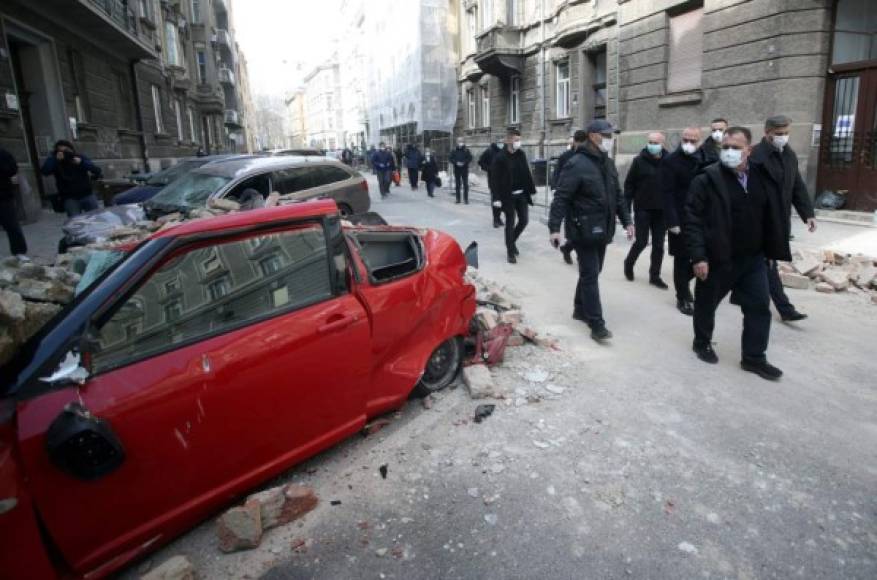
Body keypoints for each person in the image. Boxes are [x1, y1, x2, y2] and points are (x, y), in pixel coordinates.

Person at [686, 126, 788, 381]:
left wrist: (771, 249)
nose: (730, 152)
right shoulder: (707, 179)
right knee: (707, 304)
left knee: (758, 307)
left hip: (753, 258)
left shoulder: (761, 178)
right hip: (718, 258)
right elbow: (692, 219)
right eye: (726, 147)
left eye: (736, 148)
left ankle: (754, 358)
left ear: (749, 150)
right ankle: (702, 342)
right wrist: (699, 256)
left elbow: (770, 215)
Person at [549, 123, 633, 342]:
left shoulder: (608, 163)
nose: (610, 139)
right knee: (590, 275)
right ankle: (597, 324)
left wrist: (627, 222)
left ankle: (579, 309)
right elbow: (561, 197)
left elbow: (618, 196)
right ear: (594, 136)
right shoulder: (576, 164)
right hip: (582, 229)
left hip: (603, 229)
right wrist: (554, 228)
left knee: (594, 272)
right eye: (607, 135)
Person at [749, 114, 817, 322]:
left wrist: (808, 214)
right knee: (765, 264)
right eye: (779, 134)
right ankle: (785, 309)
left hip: (779, 220)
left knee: (764, 264)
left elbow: (797, 186)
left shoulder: (789, 155)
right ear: (767, 133)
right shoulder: (755, 156)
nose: (783, 137)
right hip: (757, 223)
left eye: (786, 133)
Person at [660, 127, 706, 316]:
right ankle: (683, 297)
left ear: (699, 141)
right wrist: (671, 221)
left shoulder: (704, 158)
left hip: (702, 216)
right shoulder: (671, 161)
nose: (689, 143)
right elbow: (666, 193)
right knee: (681, 258)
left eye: (693, 140)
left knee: (701, 255)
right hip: (679, 216)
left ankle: (685, 284)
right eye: (686, 139)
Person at [623, 132, 668, 288]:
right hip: (643, 208)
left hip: (661, 210)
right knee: (641, 241)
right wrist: (626, 209)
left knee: (659, 245)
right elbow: (629, 185)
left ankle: (654, 276)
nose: (652, 145)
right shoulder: (639, 161)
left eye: (656, 142)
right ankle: (628, 263)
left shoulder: (669, 161)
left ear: (663, 144)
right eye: (650, 142)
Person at [489, 128, 536, 264]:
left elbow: (527, 172)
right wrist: (496, 198)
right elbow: (494, 180)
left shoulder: (521, 154)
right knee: (510, 222)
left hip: (521, 194)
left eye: (519, 140)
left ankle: (511, 241)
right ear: (508, 140)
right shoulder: (500, 158)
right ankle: (510, 251)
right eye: (516, 140)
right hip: (507, 196)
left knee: (524, 220)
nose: (518, 142)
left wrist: (532, 191)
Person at [40, 140, 102, 217]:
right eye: (60, 151)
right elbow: (45, 171)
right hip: (70, 198)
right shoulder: (56, 161)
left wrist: (82, 163)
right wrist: (55, 159)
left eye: (66, 151)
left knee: (96, 219)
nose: (64, 153)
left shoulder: (79, 157)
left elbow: (97, 170)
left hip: (87, 195)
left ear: (71, 150)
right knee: (75, 222)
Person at [552, 134, 583, 265]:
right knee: (574, 230)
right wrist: (555, 188)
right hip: (569, 197)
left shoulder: (585, 157)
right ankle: (575, 253)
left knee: (582, 231)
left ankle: (567, 248)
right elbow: (558, 172)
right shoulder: (566, 156)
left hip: (582, 198)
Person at [0, 146, 28, 261]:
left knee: (12, 226)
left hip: (4, 196)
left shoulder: (3, 153)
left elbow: (13, 169)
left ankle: (19, 252)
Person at [478, 137, 504, 227]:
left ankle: (499, 217)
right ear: (496, 142)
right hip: (493, 180)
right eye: (499, 142)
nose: (501, 143)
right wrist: (489, 169)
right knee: (496, 200)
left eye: (502, 142)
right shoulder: (489, 151)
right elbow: (481, 162)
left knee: (503, 200)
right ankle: (495, 220)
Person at [448, 138, 473, 204]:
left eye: (461, 141)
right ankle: (458, 199)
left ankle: (466, 199)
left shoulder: (466, 150)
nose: (460, 142)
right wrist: (456, 162)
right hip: (457, 169)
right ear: (457, 142)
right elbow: (450, 158)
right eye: (459, 141)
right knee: (458, 185)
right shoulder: (454, 150)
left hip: (464, 169)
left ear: (463, 142)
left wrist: (464, 162)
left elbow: (470, 158)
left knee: (465, 185)